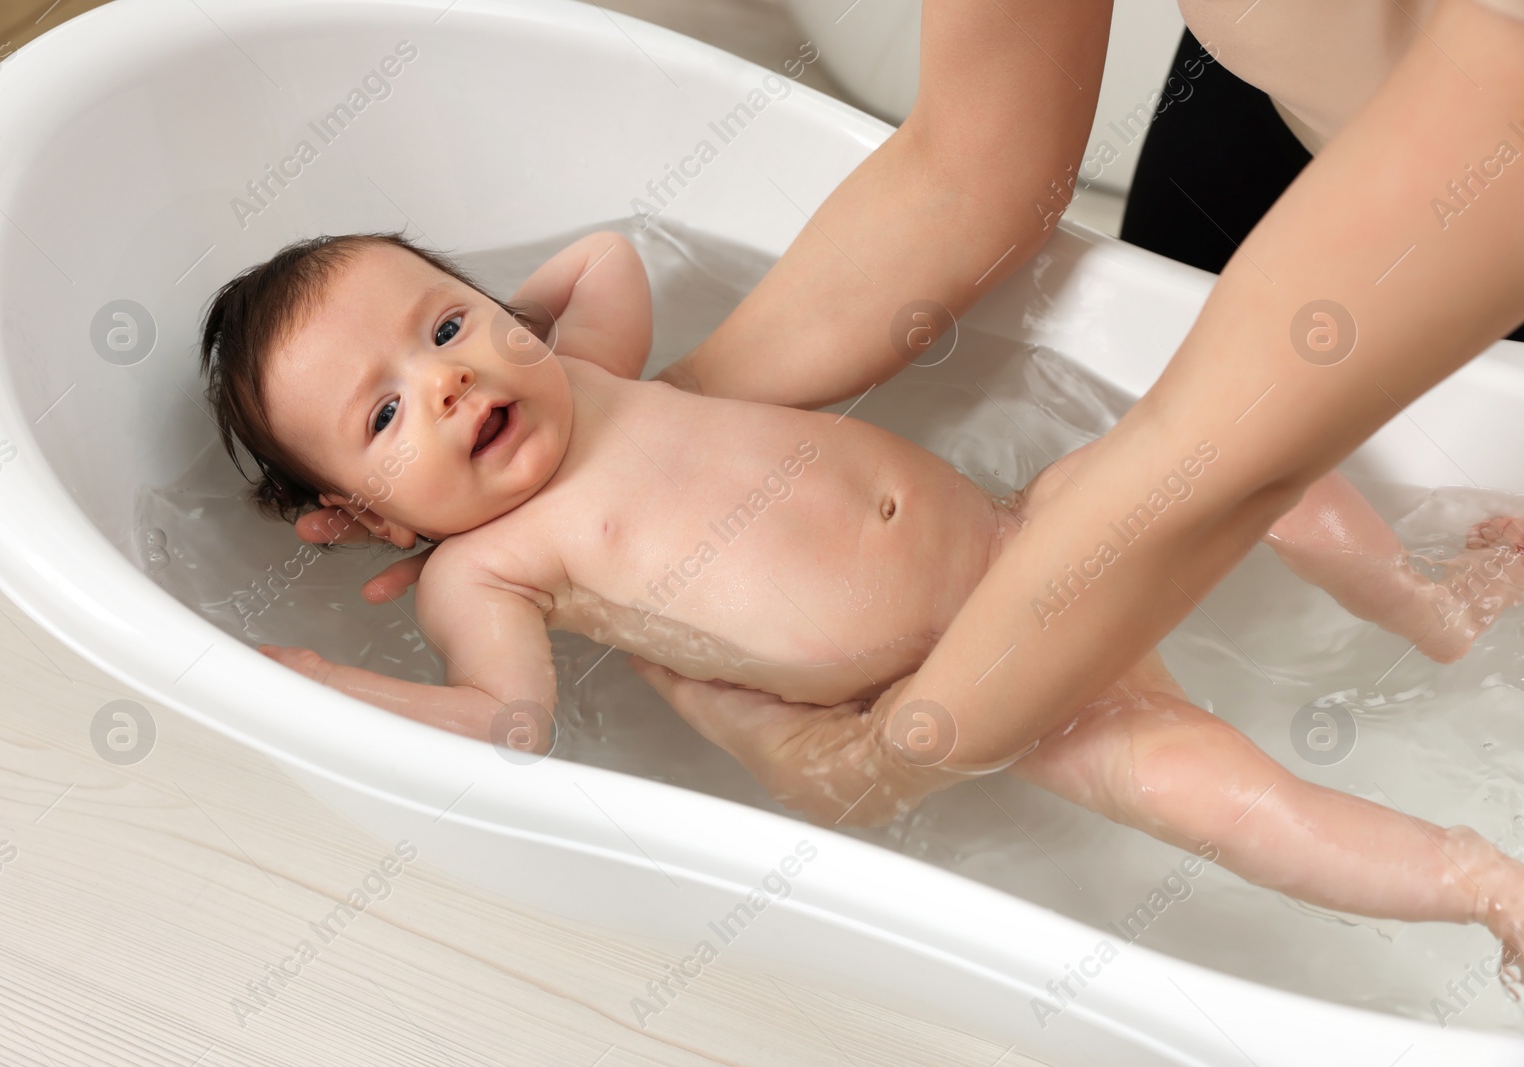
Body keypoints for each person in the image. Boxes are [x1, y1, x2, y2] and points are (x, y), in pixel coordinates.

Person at [290, 0, 1524, 825]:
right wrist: (642, 450)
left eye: (444, 332)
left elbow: (1215, 465)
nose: (441, 381)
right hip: (1288, 76)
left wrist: (877, 760)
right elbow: (971, 168)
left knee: (1238, 475)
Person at [201, 229, 1524, 960]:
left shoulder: (587, 375)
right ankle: (1485, 884)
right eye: (384, 412)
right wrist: (326, 685)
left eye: (440, 325)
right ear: (361, 518)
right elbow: (506, 723)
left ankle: (1424, 605)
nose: (443, 382)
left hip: (1025, 535)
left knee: (1255, 451)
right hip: (977, 685)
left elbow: (606, 253)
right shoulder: (488, 564)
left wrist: (509, 322)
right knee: (1236, 801)